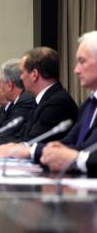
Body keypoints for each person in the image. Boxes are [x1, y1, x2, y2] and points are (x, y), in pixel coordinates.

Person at [0, 47, 79, 157]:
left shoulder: (56, 103)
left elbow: (32, 142)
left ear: (34, 74)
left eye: (22, 72)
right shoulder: (42, 99)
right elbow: (22, 136)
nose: (20, 77)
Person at [39, 31, 97, 173]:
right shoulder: (88, 105)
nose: (76, 70)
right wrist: (50, 150)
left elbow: (86, 150)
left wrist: (75, 158)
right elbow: (72, 143)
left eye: (82, 61)